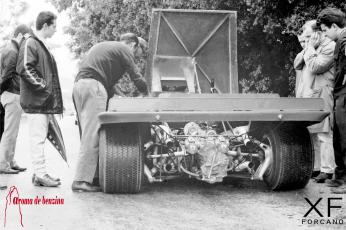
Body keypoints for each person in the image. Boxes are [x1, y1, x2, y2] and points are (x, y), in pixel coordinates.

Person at [72, 33, 148, 192]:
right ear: (134, 45)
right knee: (94, 134)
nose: (140, 57)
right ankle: (80, 180)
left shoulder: (109, 48)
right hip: (93, 87)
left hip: (80, 86)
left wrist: (125, 97)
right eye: (143, 51)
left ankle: (91, 177)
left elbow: (110, 86)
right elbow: (136, 76)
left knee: (87, 133)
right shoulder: (125, 49)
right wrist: (148, 93)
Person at [16, 11, 63, 187]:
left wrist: (46, 91)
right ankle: (41, 175)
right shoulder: (31, 43)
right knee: (37, 139)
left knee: (39, 138)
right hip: (37, 101)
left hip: (40, 101)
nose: (55, 30)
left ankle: (39, 174)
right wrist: (44, 88)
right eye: (54, 26)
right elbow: (25, 68)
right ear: (45, 26)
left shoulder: (38, 43)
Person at [294, 20, 336, 183]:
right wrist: (307, 46)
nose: (307, 40)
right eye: (304, 38)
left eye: (309, 36)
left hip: (322, 94)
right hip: (309, 95)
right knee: (312, 133)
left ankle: (328, 169)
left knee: (324, 132)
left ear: (318, 33)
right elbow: (297, 64)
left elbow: (316, 67)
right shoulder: (310, 47)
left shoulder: (329, 46)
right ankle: (317, 167)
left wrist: (310, 48)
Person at [317, 8, 346, 190]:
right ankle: (341, 177)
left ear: (334, 26)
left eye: (326, 30)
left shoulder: (344, 39)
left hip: (344, 92)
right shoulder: (341, 40)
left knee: (344, 135)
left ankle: (344, 180)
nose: (325, 35)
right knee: (339, 135)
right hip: (340, 92)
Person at [0, 25, 32, 174]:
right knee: (10, 132)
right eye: (25, 39)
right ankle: (3, 164)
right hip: (11, 94)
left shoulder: (11, 49)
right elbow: (6, 77)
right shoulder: (12, 51)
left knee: (13, 131)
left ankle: (10, 161)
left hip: (12, 94)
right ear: (20, 35)